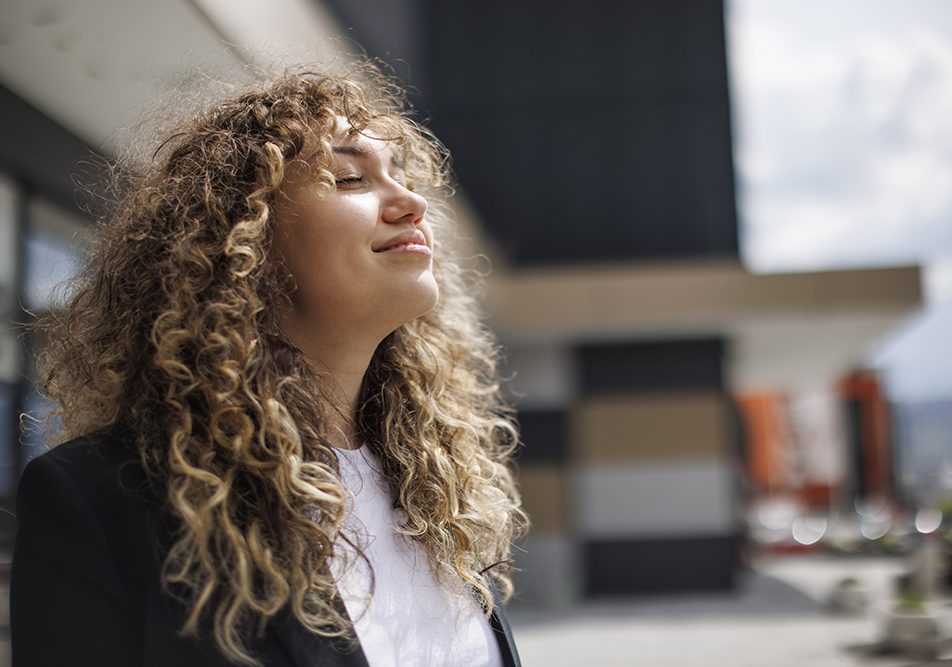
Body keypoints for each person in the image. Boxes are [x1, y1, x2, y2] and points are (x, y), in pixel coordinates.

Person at [11, 66, 527, 667]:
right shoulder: (105, 500)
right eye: (351, 177)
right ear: (244, 239)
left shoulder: (433, 491)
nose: (412, 202)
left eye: (407, 178)